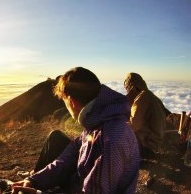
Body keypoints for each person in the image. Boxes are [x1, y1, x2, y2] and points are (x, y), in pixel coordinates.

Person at [10, 67, 140, 194]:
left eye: (64, 101)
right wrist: (33, 181)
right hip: (80, 184)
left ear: (71, 102)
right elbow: (67, 158)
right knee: (57, 138)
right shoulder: (96, 122)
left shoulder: (111, 138)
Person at [124, 73, 168, 157]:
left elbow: (133, 126)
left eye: (127, 88)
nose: (127, 91)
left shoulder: (142, 98)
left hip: (147, 146)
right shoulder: (152, 97)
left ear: (132, 86)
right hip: (157, 142)